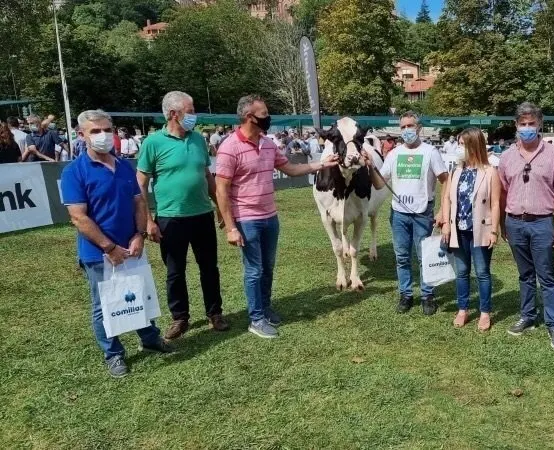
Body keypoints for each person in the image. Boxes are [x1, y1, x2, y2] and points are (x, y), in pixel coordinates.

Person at [61, 109, 174, 378]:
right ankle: (113, 354)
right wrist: (109, 248)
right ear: (82, 135)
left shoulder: (123, 165)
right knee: (104, 306)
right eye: (95, 131)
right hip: (98, 253)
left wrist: (139, 234)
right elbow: (78, 217)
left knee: (140, 293)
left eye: (106, 130)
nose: (103, 136)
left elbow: (138, 201)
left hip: (132, 247)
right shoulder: (74, 172)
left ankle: (150, 338)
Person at [216, 95, 339, 339]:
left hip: (270, 217)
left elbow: (291, 169)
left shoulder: (268, 144)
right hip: (246, 219)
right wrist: (230, 227)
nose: (267, 117)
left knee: (268, 267)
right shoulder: (229, 147)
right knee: (254, 270)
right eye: (263, 113)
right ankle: (256, 318)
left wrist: (320, 165)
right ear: (249, 117)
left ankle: (265, 307)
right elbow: (221, 189)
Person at [136, 91, 229, 341]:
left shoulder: (198, 140)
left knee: (209, 267)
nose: (194, 115)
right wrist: (147, 221)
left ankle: (215, 313)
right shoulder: (152, 143)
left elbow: (207, 176)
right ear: (173, 114)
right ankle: (180, 317)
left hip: (202, 215)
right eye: (190, 110)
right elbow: (141, 185)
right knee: (175, 271)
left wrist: (219, 205)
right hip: (170, 218)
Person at [498, 102, 554, 349]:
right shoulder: (507, 156)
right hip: (515, 223)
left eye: (531, 123)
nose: (527, 128)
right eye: (522, 124)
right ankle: (528, 316)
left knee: (547, 277)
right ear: (516, 126)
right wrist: (501, 223)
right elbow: (502, 193)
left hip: (542, 223)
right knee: (525, 275)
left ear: (539, 124)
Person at [369, 111, 448, 315]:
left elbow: (445, 180)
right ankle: (405, 294)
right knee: (402, 257)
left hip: (423, 213)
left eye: (410, 126)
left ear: (419, 128)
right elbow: (379, 184)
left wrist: (442, 210)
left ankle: (427, 295)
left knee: (424, 257)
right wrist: (369, 167)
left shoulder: (430, 152)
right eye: (403, 127)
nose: (406, 130)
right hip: (399, 215)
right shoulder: (394, 154)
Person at [440, 128, 501, 331]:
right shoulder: (456, 171)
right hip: (459, 229)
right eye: (458, 144)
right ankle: (463, 309)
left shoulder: (490, 172)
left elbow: (495, 203)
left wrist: (494, 230)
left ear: (474, 146)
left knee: (482, 272)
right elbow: (448, 199)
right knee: (462, 272)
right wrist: (446, 224)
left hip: (480, 230)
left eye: (462, 144)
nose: (459, 148)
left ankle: (484, 312)